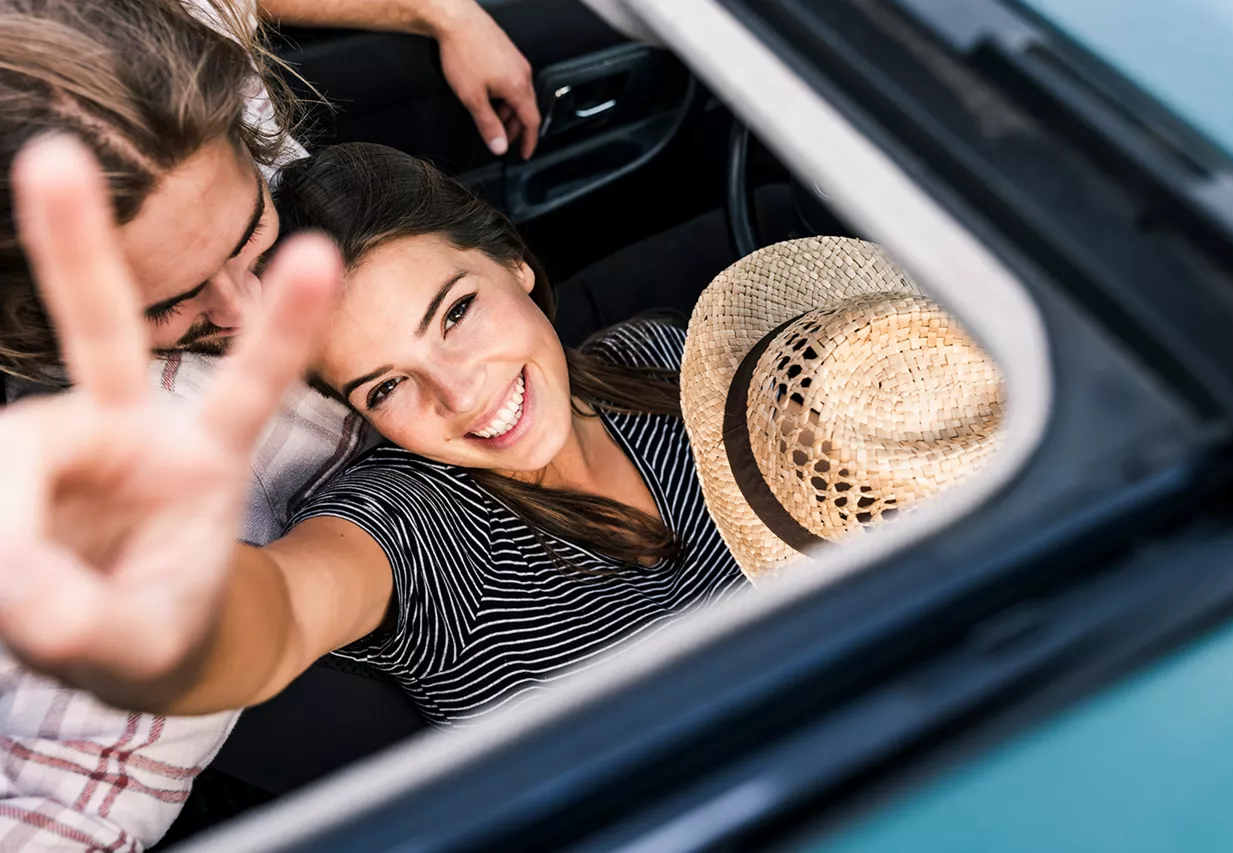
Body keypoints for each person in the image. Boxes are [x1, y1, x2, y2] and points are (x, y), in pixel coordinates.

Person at [0, 0, 540, 847]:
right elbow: (71, 803)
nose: (246, 308)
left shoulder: (173, 58)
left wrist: (441, 13)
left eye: (253, 231)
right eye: (172, 303)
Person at [3, 141, 750, 725]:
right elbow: (290, 604)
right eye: (386, 385)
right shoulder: (418, 524)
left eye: (456, 313)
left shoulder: (666, 360)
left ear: (513, 262)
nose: (459, 394)